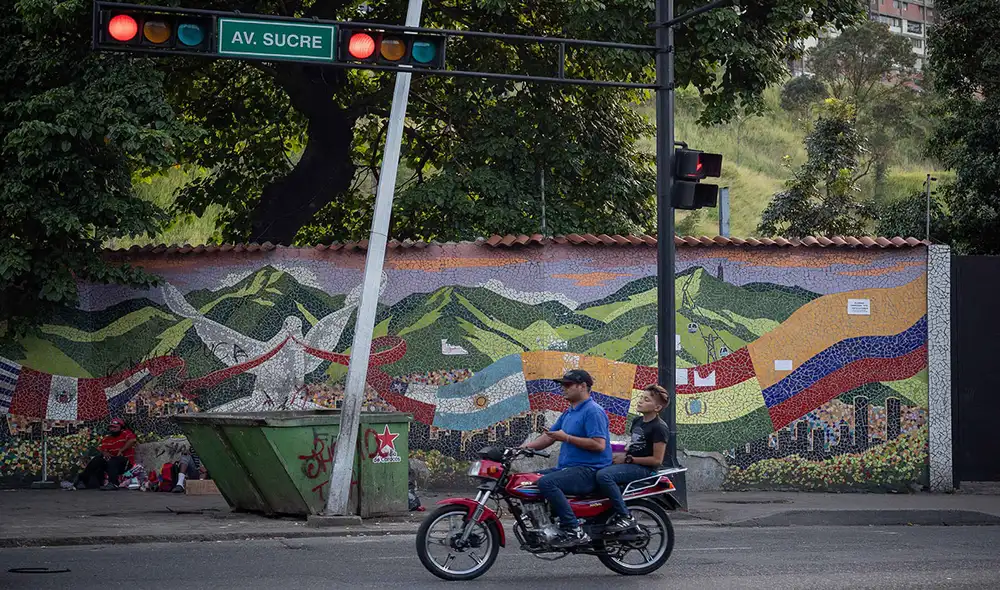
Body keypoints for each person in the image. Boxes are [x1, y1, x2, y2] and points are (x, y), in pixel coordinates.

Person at [521, 369, 612, 548]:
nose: (563, 388)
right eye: (562, 384)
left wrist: (567, 438)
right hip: (568, 468)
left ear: (583, 386)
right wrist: (519, 449)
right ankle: (546, 525)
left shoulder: (593, 411)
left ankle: (573, 528)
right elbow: (549, 437)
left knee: (547, 483)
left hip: (589, 470)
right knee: (528, 481)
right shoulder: (569, 412)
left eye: (568, 384)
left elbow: (599, 444)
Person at [595, 384, 670, 533]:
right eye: (641, 398)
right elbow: (634, 445)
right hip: (630, 463)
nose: (641, 401)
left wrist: (628, 459)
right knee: (595, 467)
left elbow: (657, 460)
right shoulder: (637, 421)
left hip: (644, 469)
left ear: (657, 408)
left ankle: (624, 516)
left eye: (646, 400)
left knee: (604, 476)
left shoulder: (659, 428)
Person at [75, 418, 138, 490]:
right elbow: (102, 449)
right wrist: (105, 453)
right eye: (111, 427)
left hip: (125, 463)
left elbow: (132, 440)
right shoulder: (107, 438)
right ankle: (82, 480)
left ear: (121, 427)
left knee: (114, 460)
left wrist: (121, 450)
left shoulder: (125, 433)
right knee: (97, 460)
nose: (112, 429)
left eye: (115, 427)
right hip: (111, 462)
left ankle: (113, 483)